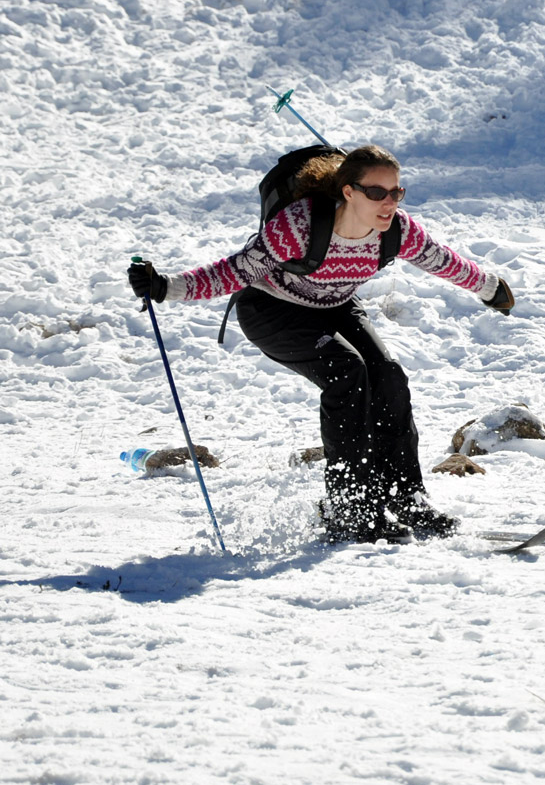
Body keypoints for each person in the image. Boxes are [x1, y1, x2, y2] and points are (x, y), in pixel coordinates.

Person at [127, 144, 514, 544]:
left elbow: (441, 259)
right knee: (347, 371)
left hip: (335, 304)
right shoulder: (300, 227)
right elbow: (234, 271)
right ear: (348, 192)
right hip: (272, 311)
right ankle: (350, 509)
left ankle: (405, 498)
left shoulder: (395, 229)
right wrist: (164, 287)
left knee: (389, 377)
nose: (388, 203)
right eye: (376, 193)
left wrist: (490, 288)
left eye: (396, 193)